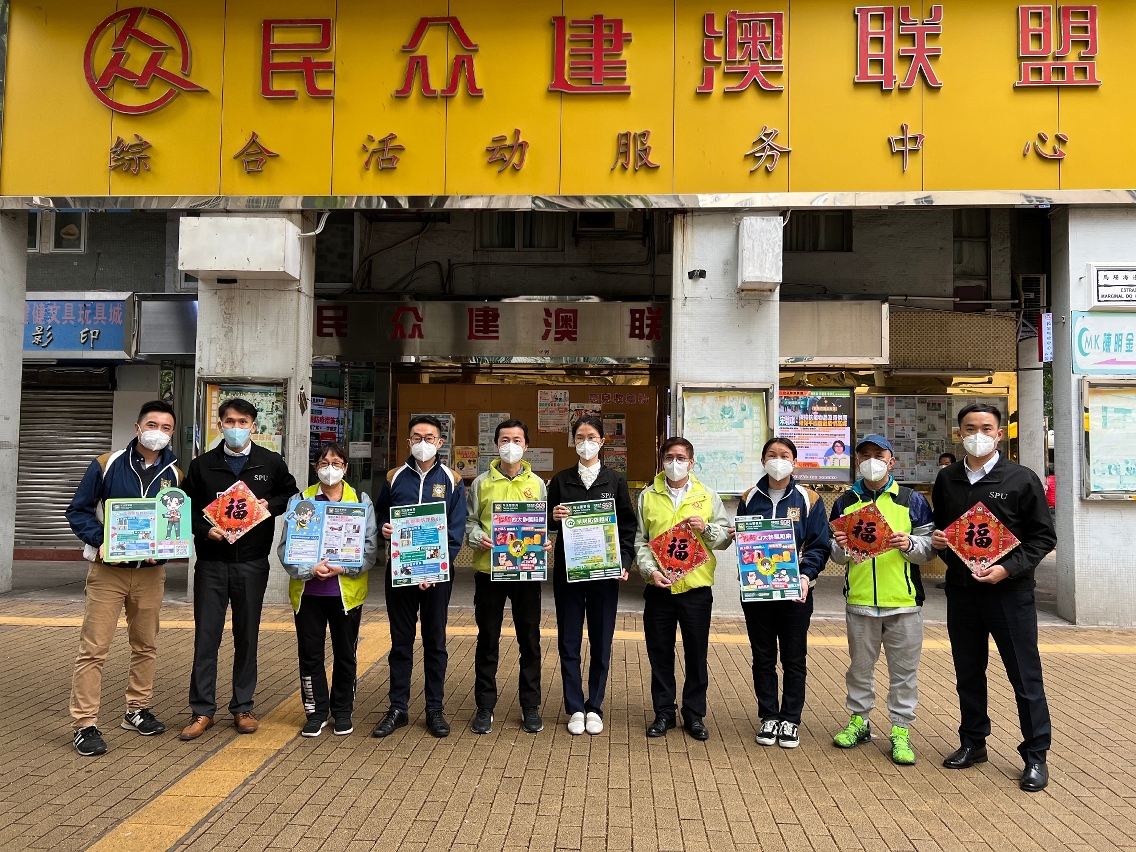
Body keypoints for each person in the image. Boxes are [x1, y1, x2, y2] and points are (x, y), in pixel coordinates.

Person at [932, 403, 1056, 792]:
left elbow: (1043, 538)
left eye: (986, 428)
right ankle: (973, 742)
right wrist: (941, 544)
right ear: (959, 434)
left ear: (999, 434)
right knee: (968, 672)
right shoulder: (948, 478)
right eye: (970, 428)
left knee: (1024, 676)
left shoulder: (1021, 479)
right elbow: (944, 530)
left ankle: (1035, 756)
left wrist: (1007, 569)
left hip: (1010, 595)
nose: (978, 434)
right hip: (963, 593)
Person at [64, 401, 182, 756]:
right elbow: (78, 510)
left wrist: (163, 551)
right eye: (152, 424)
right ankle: (84, 724)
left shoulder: (176, 474)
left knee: (145, 644)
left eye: (165, 427)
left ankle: (137, 709)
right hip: (108, 572)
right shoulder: (107, 464)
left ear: (172, 433)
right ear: (137, 427)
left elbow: (175, 523)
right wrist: (100, 540)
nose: (157, 432)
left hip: (150, 574)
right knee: (94, 649)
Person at [180, 398, 298, 740]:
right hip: (211, 564)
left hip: (252, 563)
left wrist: (269, 505)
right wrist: (204, 530)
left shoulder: (270, 462)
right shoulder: (202, 465)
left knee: (247, 636)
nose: (236, 427)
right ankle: (202, 710)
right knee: (206, 638)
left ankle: (243, 706)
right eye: (229, 421)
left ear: (253, 426)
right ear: (220, 425)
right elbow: (185, 509)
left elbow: (290, 494)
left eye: (242, 422)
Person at [829, 434, 936, 765]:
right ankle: (859, 722)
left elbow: (929, 548)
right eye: (865, 455)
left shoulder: (912, 500)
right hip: (860, 601)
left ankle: (900, 729)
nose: (871, 461)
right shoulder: (846, 501)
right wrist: (842, 547)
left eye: (879, 454)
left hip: (903, 602)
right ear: (857, 462)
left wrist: (910, 545)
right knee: (859, 670)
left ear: (892, 461)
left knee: (904, 673)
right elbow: (836, 555)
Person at [372, 415, 466, 739]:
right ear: (408, 441)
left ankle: (434, 709)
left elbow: (455, 531)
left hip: (437, 576)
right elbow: (381, 513)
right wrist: (383, 527)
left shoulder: (453, 480)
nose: (422, 442)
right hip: (400, 573)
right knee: (401, 641)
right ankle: (397, 707)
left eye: (429, 437)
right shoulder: (394, 477)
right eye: (416, 437)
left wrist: (434, 569)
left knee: (435, 641)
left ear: (440, 442)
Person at [278, 442, 379, 737]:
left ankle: (343, 711)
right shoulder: (301, 500)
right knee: (310, 655)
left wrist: (343, 568)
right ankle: (316, 711)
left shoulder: (360, 501)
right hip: (308, 593)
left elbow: (370, 549)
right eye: (324, 463)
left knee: (346, 654)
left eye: (336, 463)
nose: (330, 468)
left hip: (346, 594)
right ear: (316, 467)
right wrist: (309, 570)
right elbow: (285, 548)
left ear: (346, 468)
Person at [635, 437, 732, 741]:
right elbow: (640, 540)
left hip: (696, 589)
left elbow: (725, 538)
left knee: (696, 654)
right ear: (661, 460)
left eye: (680, 457)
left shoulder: (707, 495)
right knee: (659, 653)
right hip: (659, 588)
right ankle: (664, 712)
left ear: (691, 462)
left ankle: (694, 714)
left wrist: (707, 529)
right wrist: (650, 571)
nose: (674, 463)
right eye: (669, 457)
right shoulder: (648, 495)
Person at [737, 437, 831, 750]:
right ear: (763, 460)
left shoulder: (809, 498)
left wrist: (806, 576)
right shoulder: (750, 497)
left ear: (794, 461)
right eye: (772, 454)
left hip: (795, 592)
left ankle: (790, 719)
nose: (778, 460)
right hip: (758, 592)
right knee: (762, 657)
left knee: (793, 658)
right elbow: (746, 544)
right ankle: (769, 716)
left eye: (785, 455)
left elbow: (819, 544)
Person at [548, 414, 637, 736]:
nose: (586, 443)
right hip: (569, 573)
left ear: (602, 441)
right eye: (580, 437)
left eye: (591, 437)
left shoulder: (615, 481)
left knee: (601, 641)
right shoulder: (560, 480)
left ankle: (595, 705)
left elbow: (627, 526)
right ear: (573, 442)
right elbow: (544, 524)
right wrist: (553, 516)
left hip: (604, 573)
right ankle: (574, 706)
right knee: (569, 641)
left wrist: (624, 561)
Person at [465, 418, 551, 735]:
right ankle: (485, 707)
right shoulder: (481, 483)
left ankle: (530, 706)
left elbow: (542, 524)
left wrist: (544, 541)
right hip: (490, 571)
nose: (510, 446)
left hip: (526, 572)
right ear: (496, 445)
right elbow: (470, 522)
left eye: (516, 440)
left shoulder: (537, 484)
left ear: (526, 445)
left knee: (529, 639)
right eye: (504, 440)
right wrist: (478, 538)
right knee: (487, 639)